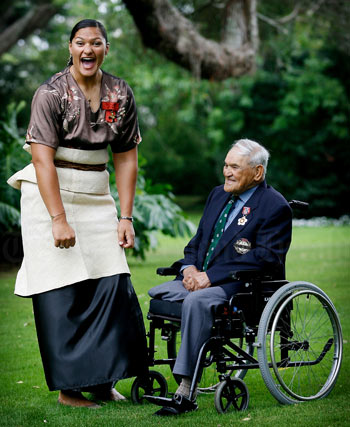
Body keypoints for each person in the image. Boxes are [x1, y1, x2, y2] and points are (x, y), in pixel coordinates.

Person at [7, 19, 147, 408]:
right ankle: (70, 391)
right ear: (70, 47)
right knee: (62, 291)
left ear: (105, 49)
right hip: (48, 195)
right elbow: (41, 160)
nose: (88, 50)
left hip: (96, 194)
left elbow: (126, 158)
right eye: (80, 43)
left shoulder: (120, 92)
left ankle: (103, 382)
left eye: (96, 43)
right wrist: (57, 218)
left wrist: (125, 216)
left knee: (110, 285)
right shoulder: (50, 93)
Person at [147, 138, 292, 415]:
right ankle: (140, 370)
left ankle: (186, 389)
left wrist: (210, 277)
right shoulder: (218, 195)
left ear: (257, 172)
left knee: (196, 302)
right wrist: (189, 269)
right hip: (204, 281)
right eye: (226, 165)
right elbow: (197, 243)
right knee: (158, 294)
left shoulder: (274, 206)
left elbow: (266, 258)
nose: (226, 172)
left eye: (235, 167)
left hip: (242, 288)